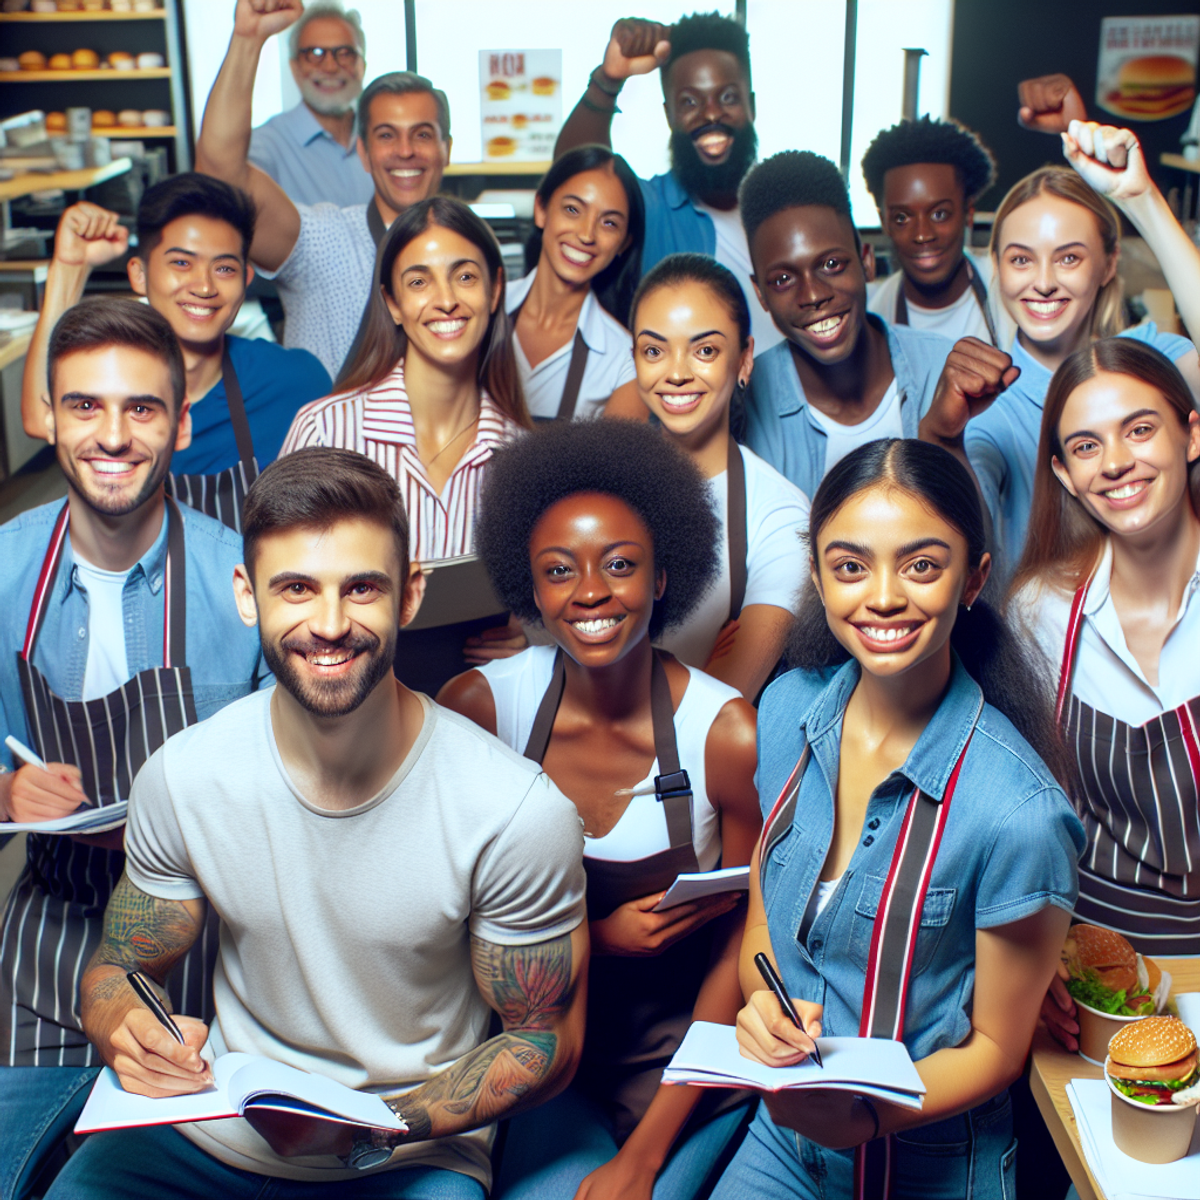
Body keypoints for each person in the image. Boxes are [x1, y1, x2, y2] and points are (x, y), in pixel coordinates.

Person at [43, 447, 589, 1199]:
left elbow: (543, 1039)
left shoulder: (514, 812)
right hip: (209, 1133)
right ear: (248, 595)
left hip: (407, 1151)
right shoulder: (185, 774)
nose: (329, 625)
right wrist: (122, 1027)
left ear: (409, 595)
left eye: (360, 588)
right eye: (296, 588)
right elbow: (118, 969)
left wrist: (375, 1122)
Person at [708, 438, 1084, 1200]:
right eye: (850, 566)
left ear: (973, 578)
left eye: (921, 565)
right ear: (817, 574)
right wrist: (761, 1008)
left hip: (927, 1166)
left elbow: (996, 1049)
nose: (882, 597)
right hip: (781, 1146)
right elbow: (762, 922)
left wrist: (867, 1117)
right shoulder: (782, 712)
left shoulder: (1021, 813)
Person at [437, 419, 760, 1200]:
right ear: (531, 586)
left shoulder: (726, 733)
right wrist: (594, 941)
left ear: (662, 576)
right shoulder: (482, 709)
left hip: (686, 1055)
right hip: (539, 1045)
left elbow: (745, 948)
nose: (589, 593)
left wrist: (644, 1160)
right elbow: (437, 921)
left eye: (620, 565)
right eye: (559, 570)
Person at [0, 299, 270, 1200]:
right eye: (85, 407)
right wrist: (6, 797)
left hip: (211, 947)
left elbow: (309, 775)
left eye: (141, 409)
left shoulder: (247, 580)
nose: (112, 435)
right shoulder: (1, 569)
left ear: (181, 421)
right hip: (51, 930)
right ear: (50, 417)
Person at [1010, 343, 1200, 1060]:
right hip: (1094, 963)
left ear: (1193, 433)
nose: (1115, 461)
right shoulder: (1041, 610)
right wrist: (1037, 960)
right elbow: (1023, 816)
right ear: (1064, 473)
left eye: (1140, 429)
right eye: (1086, 445)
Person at [918, 120, 1200, 584]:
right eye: (1021, 259)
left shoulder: (1158, 358)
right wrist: (942, 438)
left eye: (1069, 257)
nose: (1044, 281)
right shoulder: (985, 408)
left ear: (1109, 263)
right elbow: (953, 543)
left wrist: (1141, 200)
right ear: (997, 266)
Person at [280, 196, 529, 689]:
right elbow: (283, 594)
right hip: (353, 713)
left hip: (486, 718)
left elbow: (541, 597)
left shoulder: (524, 454)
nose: (446, 299)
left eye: (465, 276)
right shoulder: (326, 432)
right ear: (392, 303)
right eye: (419, 281)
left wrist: (531, 636)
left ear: (496, 289)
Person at [20, 176, 331, 531]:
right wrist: (70, 266)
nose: (204, 286)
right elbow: (39, 415)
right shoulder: (112, 373)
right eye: (181, 263)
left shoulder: (294, 380)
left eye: (224, 268)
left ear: (246, 280)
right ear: (138, 274)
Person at [196, 0, 451, 377]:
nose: (405, 151)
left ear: (447, 149)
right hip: (332, 433)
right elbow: (220, 174)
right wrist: (247, 39)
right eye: (386, 136)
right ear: (364, 152)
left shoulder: (468, 248)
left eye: (422, 135)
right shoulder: (322, 239)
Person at [629, 254, 809, 700]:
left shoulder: (779, 514)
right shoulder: (596, 488)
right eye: (654, 350)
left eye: (704, 350)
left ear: (745, 359)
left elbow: (723, 703)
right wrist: (691, 680)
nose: (675, 373)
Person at [555, 13, 782, 353]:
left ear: (752, 105)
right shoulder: (651, 209)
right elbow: (575, 176)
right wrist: (608, 80)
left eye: (729, 98)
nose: (711, 114)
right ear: (668, 115)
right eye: (689, 102)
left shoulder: (789, 204)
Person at [739, 150, 953, 498]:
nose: (812, 295)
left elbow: (983, 538)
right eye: (782, 280)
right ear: (760, 293)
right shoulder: (745, 406)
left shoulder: (941, 368)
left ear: (866, 261)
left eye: (832, 264)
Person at [509, 145, 643, 421]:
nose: (586, 234)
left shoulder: (625, 361)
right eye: (573, 209)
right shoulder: (481, 311)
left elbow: (614, 464)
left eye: (609, 224)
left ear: (624, 243)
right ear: (541, 209)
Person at [861, 116, 1001, 345]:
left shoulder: (1008, 292)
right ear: (884, 221)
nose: (922, 235)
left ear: (968, 212)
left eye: (939, 214)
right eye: (902, 218)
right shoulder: (871, 318)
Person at [248, 1, 375, 208]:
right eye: (315, 54)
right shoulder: (265, 146)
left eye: (344, 53)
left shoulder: (389, 140)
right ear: (295, 67)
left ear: (362, 66)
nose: (330, 66)